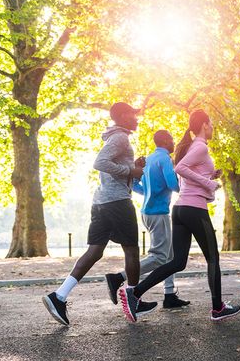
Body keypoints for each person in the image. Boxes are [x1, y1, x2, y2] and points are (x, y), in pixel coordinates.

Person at [119, 109, 240, 322]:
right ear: (204, 125)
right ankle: (218, 308)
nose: (212, 128)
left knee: (178, 262)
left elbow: (186, 174)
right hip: (194, 209)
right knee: (213, 258)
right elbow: (181, 168)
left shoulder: (193, 147)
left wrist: (209, 175)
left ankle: (135, 293)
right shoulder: (200, 146)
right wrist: (209, 183)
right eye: (210, 124)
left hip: (180, 209)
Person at [42, 102, 156, 325]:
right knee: (132, 250)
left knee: (94, 252)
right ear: (123, 116)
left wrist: (133, 166)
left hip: (101, 202)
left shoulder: (116, 137)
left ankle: (59, 296)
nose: (137, 118)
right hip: (117, 203)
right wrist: (130, 170)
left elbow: (114, 169)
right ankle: (133, 299)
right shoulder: (120, 137)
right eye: (133, 114)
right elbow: (100, 163)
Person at [105, 130, 190, 309]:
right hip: (158, 212)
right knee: (160, 257)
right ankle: (118, 277)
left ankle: (169, 295)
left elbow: (137, 185)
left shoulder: (149, 159)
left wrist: (151, 193)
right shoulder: (165, 158)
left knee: (170, 256)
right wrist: (191, 186)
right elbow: (173, 184)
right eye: (172, 140)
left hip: (147, 212)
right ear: (166, 141)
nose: (174, 143)